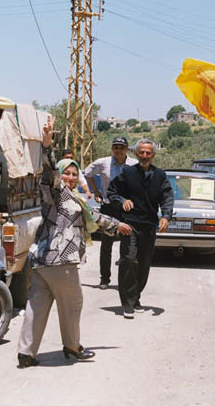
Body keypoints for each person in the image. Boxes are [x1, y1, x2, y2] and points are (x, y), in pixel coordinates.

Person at [16, 116, 132, 368]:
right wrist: (48, 145)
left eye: (74, 174)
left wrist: (118, 225)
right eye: (66, 172)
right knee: (72, 304)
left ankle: (26, 353)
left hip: (42, 262)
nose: (69, 177)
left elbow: (96, 216)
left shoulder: (75, 199)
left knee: (37, 306)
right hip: (61, 261)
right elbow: (49, 172)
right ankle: (72, 346)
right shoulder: (55, 193)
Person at [107, 138, 174, 319]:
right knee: (129, 259)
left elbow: (167, 197)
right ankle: (127, 303)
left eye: (148, 153)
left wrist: (166, 216)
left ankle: (136, 297)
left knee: (143, 264)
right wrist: (122, 201)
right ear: (136, 154)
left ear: (153, 155)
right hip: (129, 224)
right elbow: (112, 192)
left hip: (149, 225)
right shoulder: (127, 173)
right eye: (142, 152)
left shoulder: (160, 175)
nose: (145, 156)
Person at [83, 137, 138, 289]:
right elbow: (87, 173)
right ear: (112, 148)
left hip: (127, 209)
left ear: (126, 149)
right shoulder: (103, 163)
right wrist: (95, 191)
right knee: (106, 245)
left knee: (127, 246)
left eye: (121, 147)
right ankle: (104, 279)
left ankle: (124, 279)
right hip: (108, 207)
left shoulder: (134, 164)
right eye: (116, 147)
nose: (118, 150)